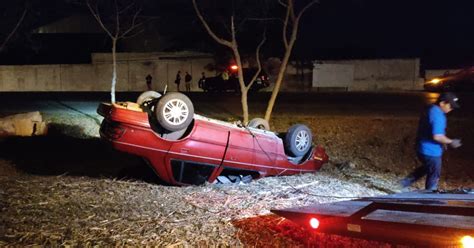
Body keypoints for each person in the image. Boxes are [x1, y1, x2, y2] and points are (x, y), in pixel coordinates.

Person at [400, 92, 462, 191]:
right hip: (431, 151)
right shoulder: (437, 115)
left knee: (428, 167)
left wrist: (444, 142)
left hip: (422, 148)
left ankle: (406, 182)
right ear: (442, 103)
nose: (451, 108)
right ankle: (430, 195)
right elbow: (437, 136)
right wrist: (451, 142)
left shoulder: (431, 109)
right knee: (434, 173)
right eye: (450, 105)